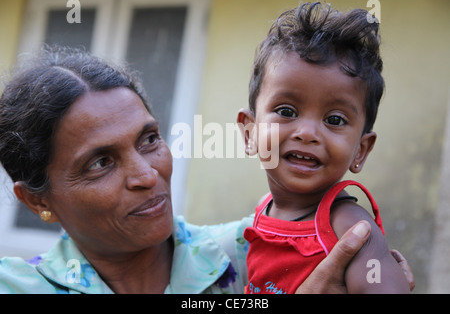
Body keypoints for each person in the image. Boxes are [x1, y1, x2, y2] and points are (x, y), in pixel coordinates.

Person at [0, 45, 413, 294]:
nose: (147, 174)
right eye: (101, 162)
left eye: (149, 140)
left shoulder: (253, 250)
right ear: (37, 200)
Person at [237, 2, 411, 294]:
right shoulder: (263, 209)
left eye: (334, 119)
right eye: (287, 111)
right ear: (250, 132)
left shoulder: (350, 227)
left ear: (361, 150)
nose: (307, 133)